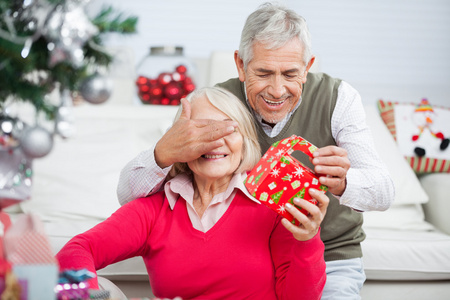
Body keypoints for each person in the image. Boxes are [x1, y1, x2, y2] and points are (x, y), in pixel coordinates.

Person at [116, 3, 395, 299]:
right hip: (246, 259)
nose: (276, 90)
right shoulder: (217, 102)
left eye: (290, 74)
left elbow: (384, 191)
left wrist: (343, 182)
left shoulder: (338, 98)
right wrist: (164, 153)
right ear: (240, 65)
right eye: (263, 73)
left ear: (308, 66)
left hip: (328, 260)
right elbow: (128, 197)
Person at [57, 87, 329, 300]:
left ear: (244, 140)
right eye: (200, 130)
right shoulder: (153, 210)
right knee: (98, 288)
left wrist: (306, 240)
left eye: (228, 128)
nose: (214, 140)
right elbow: (77, 251)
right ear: (179, 144)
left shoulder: (271, 207)